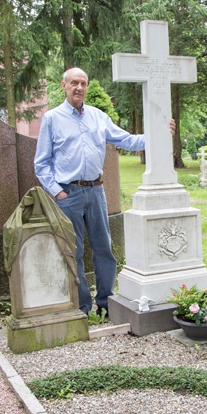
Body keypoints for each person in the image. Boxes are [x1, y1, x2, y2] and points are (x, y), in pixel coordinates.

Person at [34, 67, 173, 318]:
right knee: (73, 251)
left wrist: (159, 132)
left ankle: (107, 303)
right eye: (74, 83)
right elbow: (41, 163)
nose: (79, 87)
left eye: (83, 83)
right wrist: (57, 193)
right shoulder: (52, 119)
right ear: (63, 85)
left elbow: (127, 140)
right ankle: (82, 307)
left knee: (104, 249)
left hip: (96, 191)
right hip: (68, 194)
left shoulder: (98, 117)